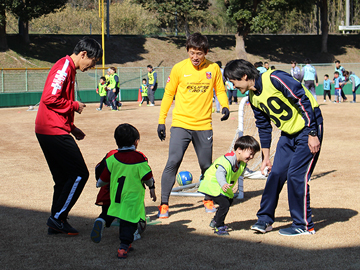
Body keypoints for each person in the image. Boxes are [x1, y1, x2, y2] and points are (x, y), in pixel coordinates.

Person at [224, 59, 323, 236]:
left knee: (296, 175)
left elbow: (302, 98)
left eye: (233, 81)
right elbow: (264, 128)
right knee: (275, 174)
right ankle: (265, 219)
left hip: (309, 127)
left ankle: (303, 225)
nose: (232, 86)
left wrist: (313, 132)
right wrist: (266, 159)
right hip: (288, 133)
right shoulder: (253, 98)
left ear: (244, 76)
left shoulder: (275, 78)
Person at [157, 32, 230, 218]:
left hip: (204, 125)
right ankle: (164, 204)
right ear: (187, 51)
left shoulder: (213, 69)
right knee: (173, 161)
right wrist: (161, 121)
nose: (195, 57)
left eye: (199, 53)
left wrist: (225, 106)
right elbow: (168, 95)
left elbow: (220, 90)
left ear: (205, 52)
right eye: (191, 52)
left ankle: (208, 198)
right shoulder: (178, 68)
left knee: (206, 165)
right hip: (181, 123)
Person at [35, 37, 102, 235]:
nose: (92, 66)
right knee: (80, 173)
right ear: (83, 54)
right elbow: (50, 98)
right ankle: (57, 218)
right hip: (52, 130)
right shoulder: (64, 66)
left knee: (63, 178)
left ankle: (56, 221)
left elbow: (56, 100)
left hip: (51, 129)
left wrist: (72, 127)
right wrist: (74, 105)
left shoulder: (69, 68)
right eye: (93, 61)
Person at [92, 123, 156, 259]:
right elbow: (148, 177)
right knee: (129, 223)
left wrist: (98, 184)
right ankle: (123, 247)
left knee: (113, 212)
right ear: (136, 142)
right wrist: (152, 188)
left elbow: (102, 179)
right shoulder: (140, 158)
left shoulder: (112, 158)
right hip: (132, 198)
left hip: (116, 196)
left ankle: (101, 220)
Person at [198, 136, 260, 236]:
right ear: (239, 150)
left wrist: (264, 174)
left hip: (221, 186)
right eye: (250, 153)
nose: (251, 157)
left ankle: (215, 221)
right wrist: (223, 184)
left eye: (253, 154)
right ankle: (219, 227)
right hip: (211, 184)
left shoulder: (242, 163)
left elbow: (249, 174)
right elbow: (220, 173)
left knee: (229, 200)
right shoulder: (228, 160)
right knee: (224, 204)